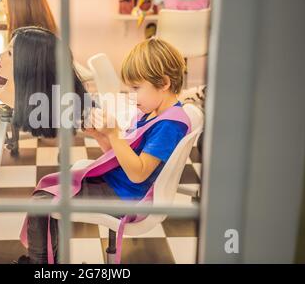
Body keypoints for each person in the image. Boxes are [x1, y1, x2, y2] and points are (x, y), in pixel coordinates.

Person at [16, 37, 191, 263]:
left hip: (126, 197)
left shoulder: (169, 125)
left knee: (41, 203)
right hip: (120, 185)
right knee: (52, 190)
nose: (132, 96)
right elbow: (123, 158)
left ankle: (39, 263)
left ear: (164, 83)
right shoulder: (154, 113)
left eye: (136, 88)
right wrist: (103, 135)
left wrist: (114, 134)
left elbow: (138, 173)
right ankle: (49, 259)